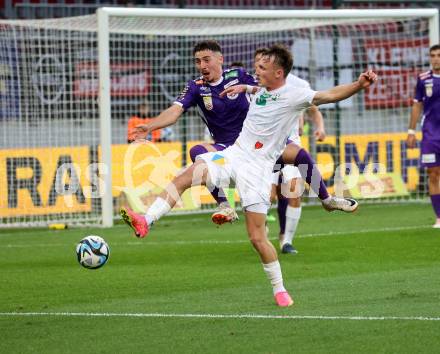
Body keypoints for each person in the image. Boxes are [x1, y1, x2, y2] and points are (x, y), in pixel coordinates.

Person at [120, 44, 377, 307]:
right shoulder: (258, 87)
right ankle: (146, 220)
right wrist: (244, 88)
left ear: (278, 73)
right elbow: (254, 89)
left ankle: (280, 289)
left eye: (262, 68)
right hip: (234, 154)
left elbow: (329, 95)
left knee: (257, 238)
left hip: (258, 169)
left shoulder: (294, 95)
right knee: (188, 174)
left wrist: (358, 85)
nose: (256, 71)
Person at [134, 40, 257, 224]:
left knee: (260, 219)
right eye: (198, 61)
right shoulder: (196, 87)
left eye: (206, 60)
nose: (202, 66)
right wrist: (150, 126)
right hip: (224, 148)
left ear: (220, 59)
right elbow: (175, 111)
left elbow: (268, 92)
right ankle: (225, 205)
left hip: (251, 147)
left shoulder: (238, 76)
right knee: (197, 152)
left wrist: (248, 88)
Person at [254, 48, 326, 254]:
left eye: (264, 64)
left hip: (290, 146)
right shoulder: (253, 86)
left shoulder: (299, 85)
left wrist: (319, 127)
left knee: (294, 191)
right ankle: (262, 229)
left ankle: (286, 240)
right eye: (258, 64)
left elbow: (313, 108)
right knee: (269, 195)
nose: (259, 68)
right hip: (264, 149)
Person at [407, 44, 440, 228]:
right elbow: (417, 105)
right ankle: (439, 217)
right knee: (433, 174)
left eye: (439, 55)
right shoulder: (423, 79)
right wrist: (411, 131)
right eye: (433, 55)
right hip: (430, 135)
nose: (435, 58)